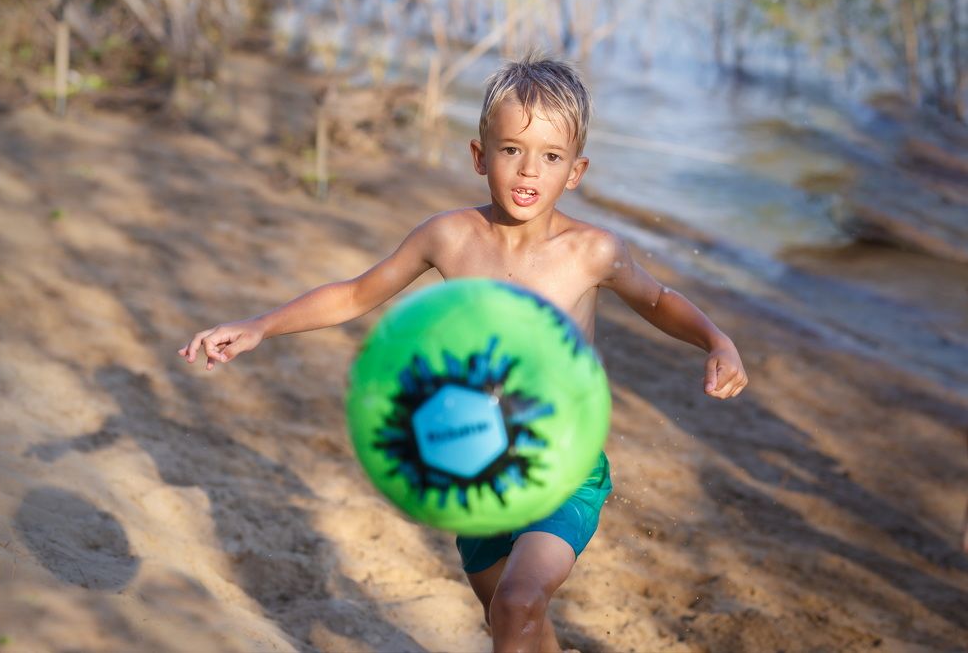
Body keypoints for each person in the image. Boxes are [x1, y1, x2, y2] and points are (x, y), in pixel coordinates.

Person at [178, 53, 748, 653]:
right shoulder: (448, 237)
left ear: (575, 171)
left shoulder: (592, 253)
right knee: (510, 618)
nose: (529, 170)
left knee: (520, 601)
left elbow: (659, 301)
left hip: (562, 465)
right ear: (479, 156)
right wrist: (260, 326)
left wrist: (718, 340)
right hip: (472, 467)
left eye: (550, 157)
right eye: (511, 150)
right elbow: (353, 294)